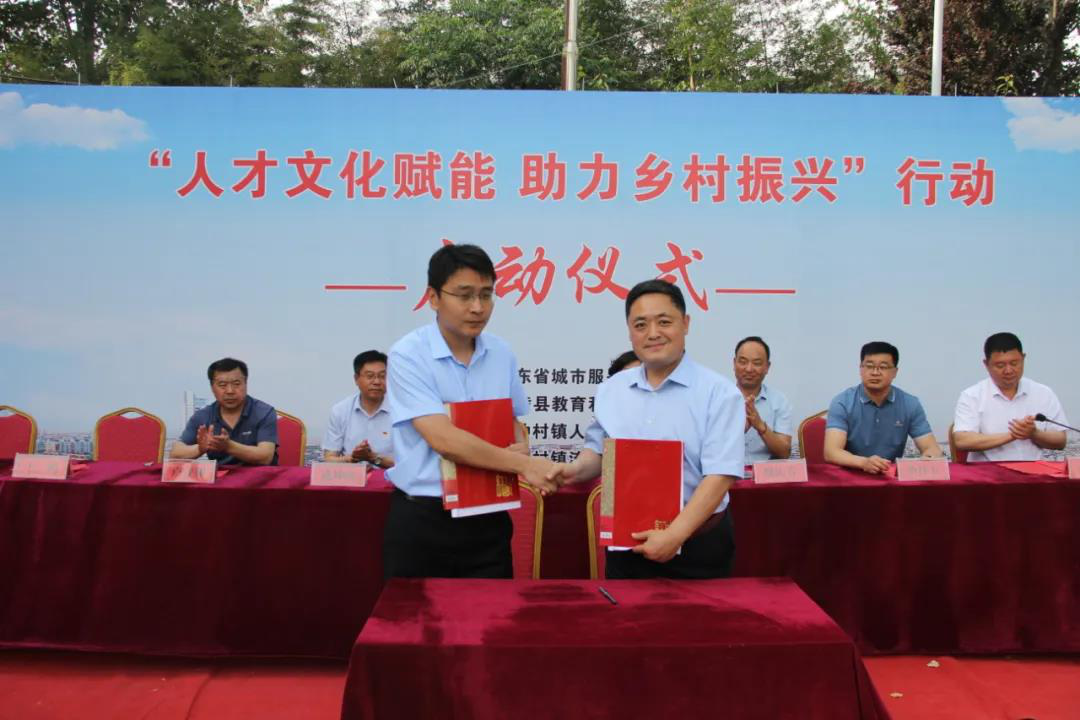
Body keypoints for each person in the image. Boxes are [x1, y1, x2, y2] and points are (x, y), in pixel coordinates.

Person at [383, 243, 559, 579]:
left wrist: (522, 445)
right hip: (424, 519)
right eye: (464, 296)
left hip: (488, 518)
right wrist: (525, 465)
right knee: (415, 613)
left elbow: (512, 421)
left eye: (486, 295)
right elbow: (444, 440)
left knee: (490, 611)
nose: (477, 308)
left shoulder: (501, 352)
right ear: (433, 298)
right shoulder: (409, 355)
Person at [555, 280, 745, 579]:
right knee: (625, 610)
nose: (653, 333)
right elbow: (600, 451)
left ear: (685, 323)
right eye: (640, 325)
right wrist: (572, 471)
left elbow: (720, 475)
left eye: (664, 322)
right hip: (626, 540)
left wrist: (675, 535)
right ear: (630, 331)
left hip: (698, 543)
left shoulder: (719, 393)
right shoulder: (611, 390)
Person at [824, 341, 942, 473]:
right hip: (851, 474)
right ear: (860, 369)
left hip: (890, 475)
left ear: (895, 372)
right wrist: (864, 462)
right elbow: (832, 452)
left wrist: (929, 457)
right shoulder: (842, 402)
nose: (875, 372)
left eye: (883, 367)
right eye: (869, 366)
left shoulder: (910, 404)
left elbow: (931, 448)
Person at [952, 332, 1068, 461]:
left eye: (1014, 363)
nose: (1008, 370)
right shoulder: (972, 395)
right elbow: (962, 441)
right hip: (987, 471)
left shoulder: (1043, 393)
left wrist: (1034, 433)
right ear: (986, 364)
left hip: (1033, 470)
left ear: (1023, 358)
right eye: (1000, 365)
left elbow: (1060, 441)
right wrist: (1013, 435)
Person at [171, 357, 278, 465]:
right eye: (222, 385)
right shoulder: (202, 416)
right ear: (212, 388)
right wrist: (200, 448)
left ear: (246, 383)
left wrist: (228, 446)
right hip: (222, 475)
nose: (230, 391)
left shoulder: (264, 412)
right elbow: (175, 453)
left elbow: (265, 457)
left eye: (236, 384)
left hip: (260, 474)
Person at [322, 350, 394, 468]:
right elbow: (329, 459)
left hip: (389, 477)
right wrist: (352, 458)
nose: (377, 382)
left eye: (382, 376)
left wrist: (374, 458)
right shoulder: (340, 411)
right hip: (351, 476)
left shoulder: (402, 411)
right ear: (356, 379)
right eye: (370, 376)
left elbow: (409, 464)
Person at [733, 336, 792, 462]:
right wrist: (739, 430)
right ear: (734, 363)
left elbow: (784, 453)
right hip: (727, 472)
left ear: (767, 367)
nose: (749, 369)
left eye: (757, 363)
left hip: (766, 472)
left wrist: (760, 426)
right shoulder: (719, 399)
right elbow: (708, 449)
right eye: (743, 362)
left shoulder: (779, 401)